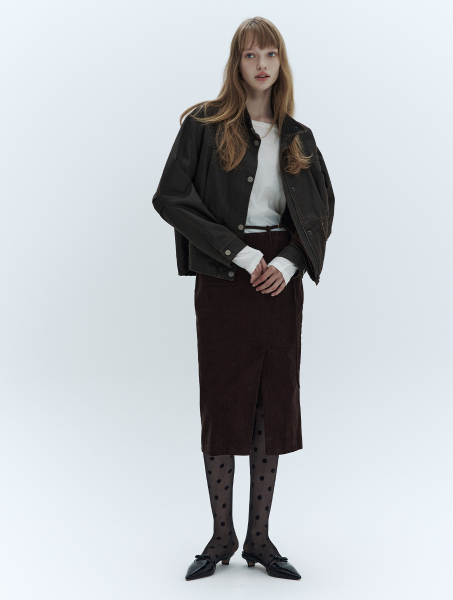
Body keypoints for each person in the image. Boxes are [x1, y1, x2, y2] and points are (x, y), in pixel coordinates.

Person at [152, 16, 335, 581]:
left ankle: (259, 539)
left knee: (269, 405)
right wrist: (242, 254)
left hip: (279, 280)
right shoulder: (204, 126)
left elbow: (321, 210)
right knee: (223, 402)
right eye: (251, 55)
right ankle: (221, 537)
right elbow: (170, 197)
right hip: (225, 275)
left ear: (282, 63)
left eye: (271, 54)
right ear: (236, 63)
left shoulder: (298, 136)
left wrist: (288, 262)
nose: (261, 65)